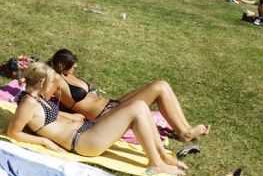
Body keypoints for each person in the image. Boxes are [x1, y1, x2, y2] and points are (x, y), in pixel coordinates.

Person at [8, 62, 185, 176]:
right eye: (51, 83)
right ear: (41, 83)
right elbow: (13, 132)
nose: (53, 87)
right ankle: (155, 163)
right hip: (84, 143)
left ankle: (161, 155)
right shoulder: (27, 104)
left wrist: (70, 116)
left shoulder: (36, 99)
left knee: (141, 105)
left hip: (86, 130)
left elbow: (46, 118)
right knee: (137, 108)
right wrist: (45, 141)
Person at [48, 49, 209, 142]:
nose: (75, 66)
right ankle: (185, 133)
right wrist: (69, 116)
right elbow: (42, 102)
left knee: (162, 84)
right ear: (62, 65)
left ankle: (185, 128)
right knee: (159, 88)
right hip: (105, 115)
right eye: (72, 65)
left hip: (112, 105)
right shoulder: (55, 80)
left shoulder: (68, 75)